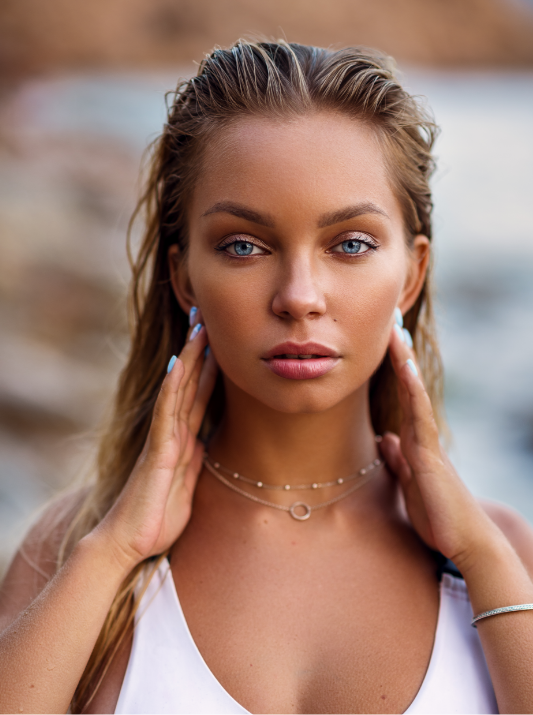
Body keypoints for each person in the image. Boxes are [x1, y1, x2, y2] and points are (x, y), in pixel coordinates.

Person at [1, 40, 533, 715]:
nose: (299, 295)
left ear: (412, 273)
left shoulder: (502, 554)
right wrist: (115, 551)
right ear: (183, 276)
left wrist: (480, 558)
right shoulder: (74, 546)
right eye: (243, 245)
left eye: (349, 244)